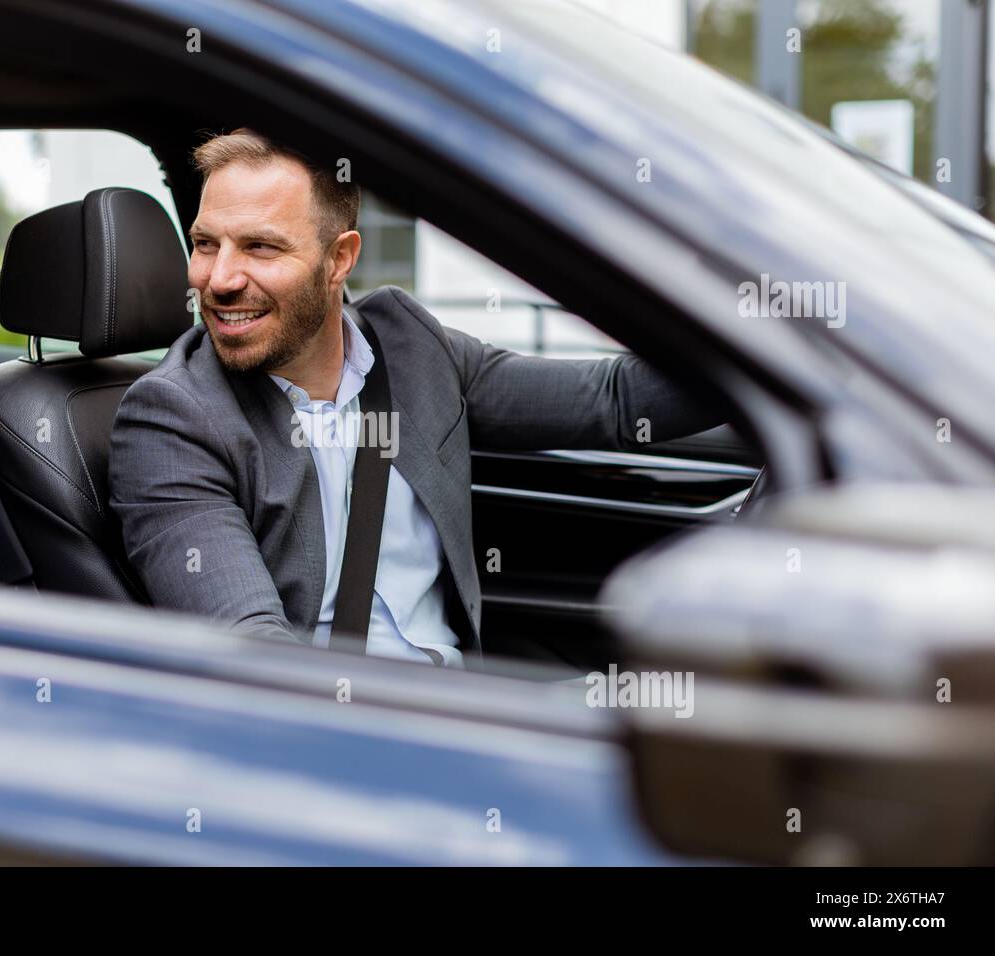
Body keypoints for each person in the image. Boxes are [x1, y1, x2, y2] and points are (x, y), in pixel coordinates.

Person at [108, 129, 722, 666]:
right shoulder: (171, 418)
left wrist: (771, 338)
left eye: (260, 247)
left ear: (339, 258)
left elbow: (614, 402)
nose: (218, 279)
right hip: (339, 738)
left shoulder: (411, 346)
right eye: (207, 243)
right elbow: (254, 657)